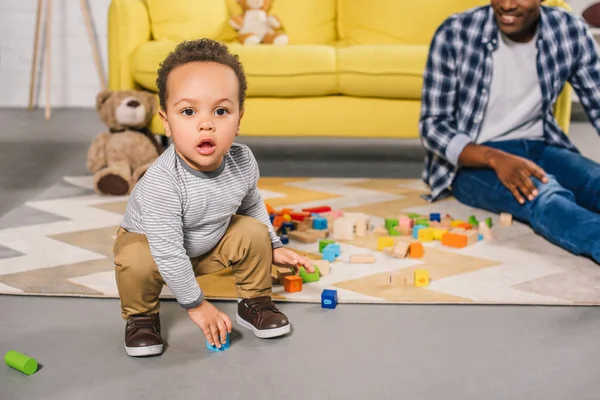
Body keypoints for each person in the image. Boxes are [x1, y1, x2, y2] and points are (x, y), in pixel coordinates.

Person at [113, 38, 314, 357]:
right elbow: (167, 251)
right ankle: (141, 318)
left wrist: (274, 246)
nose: (206, 123)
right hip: (156, 250)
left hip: (207, 244)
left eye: (221, 111)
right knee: (134, 258)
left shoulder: (243, 159)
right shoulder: (163, 181)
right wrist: (197, 306)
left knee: (253, 230)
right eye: (189, 111)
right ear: (167, 122)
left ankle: (254, 302)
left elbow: (252, 205)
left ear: (239, 119)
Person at [419, 0, 600, 265]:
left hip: (541, 145)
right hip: (472, 161)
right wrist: (495, 158)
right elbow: (433, 125)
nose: (506, 4)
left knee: (595, 180)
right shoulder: (456, 32)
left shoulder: (569, 30)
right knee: (545, 197)